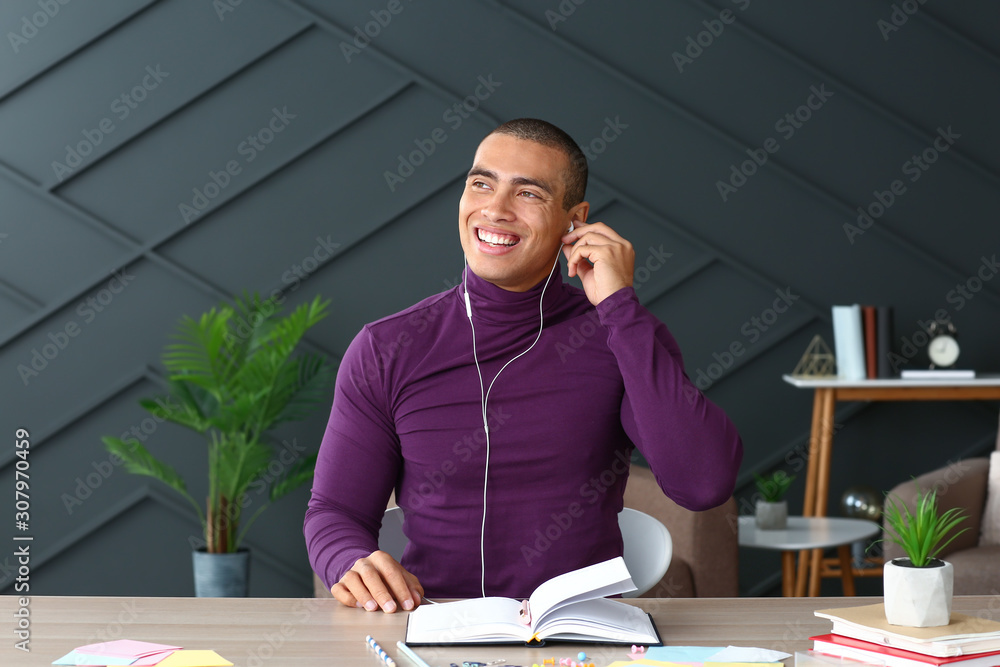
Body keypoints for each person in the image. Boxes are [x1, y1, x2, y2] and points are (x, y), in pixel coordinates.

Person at [304, 118, 743, 613]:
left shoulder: (618, 334)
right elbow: (335, 511)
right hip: (431, 628)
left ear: (573, 221)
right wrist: (348, 559)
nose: (495, 208)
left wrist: (619, 307)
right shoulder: (387, 348)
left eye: (528, 193)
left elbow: (703, 484)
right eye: (481, 184)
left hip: (578, 637)